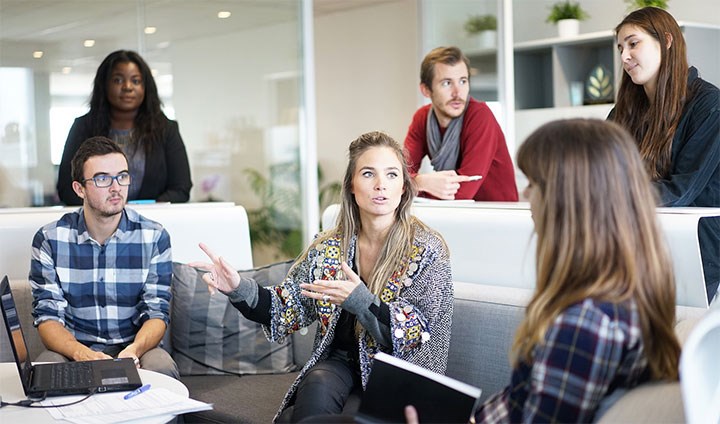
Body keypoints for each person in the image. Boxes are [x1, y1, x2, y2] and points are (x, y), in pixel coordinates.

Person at [404, 119, 680, 423]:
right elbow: (522, 401)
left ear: (565, 201)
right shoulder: (623, 294)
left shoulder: (585, 324)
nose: (525, 193)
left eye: (533, 183)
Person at [192, 131, 453, 422]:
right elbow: (287, 306)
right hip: (339, 364)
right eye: (368, 173)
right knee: (315, 387)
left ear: (404, 187)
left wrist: (360, 301)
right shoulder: (329, 247)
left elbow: (415, 333)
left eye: (392, 175)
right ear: (351, 186)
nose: (381, 185)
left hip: (397, 374)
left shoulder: (427, 249)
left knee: (301, 419)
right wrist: (238, 288)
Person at [30, 136, 178, 378]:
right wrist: (81, 354)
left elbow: (157, 312)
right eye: (102, 179)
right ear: (80, 189)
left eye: (122, 176)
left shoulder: (154, 236)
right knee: (45, 369)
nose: (116, 187)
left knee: (161, 367)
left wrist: (134, 350)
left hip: (135, 348)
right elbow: (47, 317)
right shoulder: (49, 239)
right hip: (73, 349)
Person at [608, 7, 720, 302]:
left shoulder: (709, 105)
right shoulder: (623, 112)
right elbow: (600, 172)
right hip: (639, 239)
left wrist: (611, 195)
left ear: (667, 41)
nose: (624, 57)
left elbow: (682, 190)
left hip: (698, 248)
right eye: (621, 48)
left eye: (633, 43)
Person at [57, 50, 192, 206]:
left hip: (152, 222)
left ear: (146, 87)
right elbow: (67, 189)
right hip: (97, 224)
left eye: (136, 81)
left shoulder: (167, 129)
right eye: (118, 80)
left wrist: (143, 210)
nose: (127, 87)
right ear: (104, 85)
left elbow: (181, 189)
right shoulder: (83, 128)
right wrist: (107, 209)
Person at [403, 46, 518, 201]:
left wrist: (415, 184)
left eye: (463, 81)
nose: (458, 93)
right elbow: (398, 176)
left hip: (496, 215)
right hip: (455, 214)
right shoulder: (422, 118)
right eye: (446, 83)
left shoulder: (480, 115)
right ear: (426, 90)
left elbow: (463, 192)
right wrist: (421, 181)